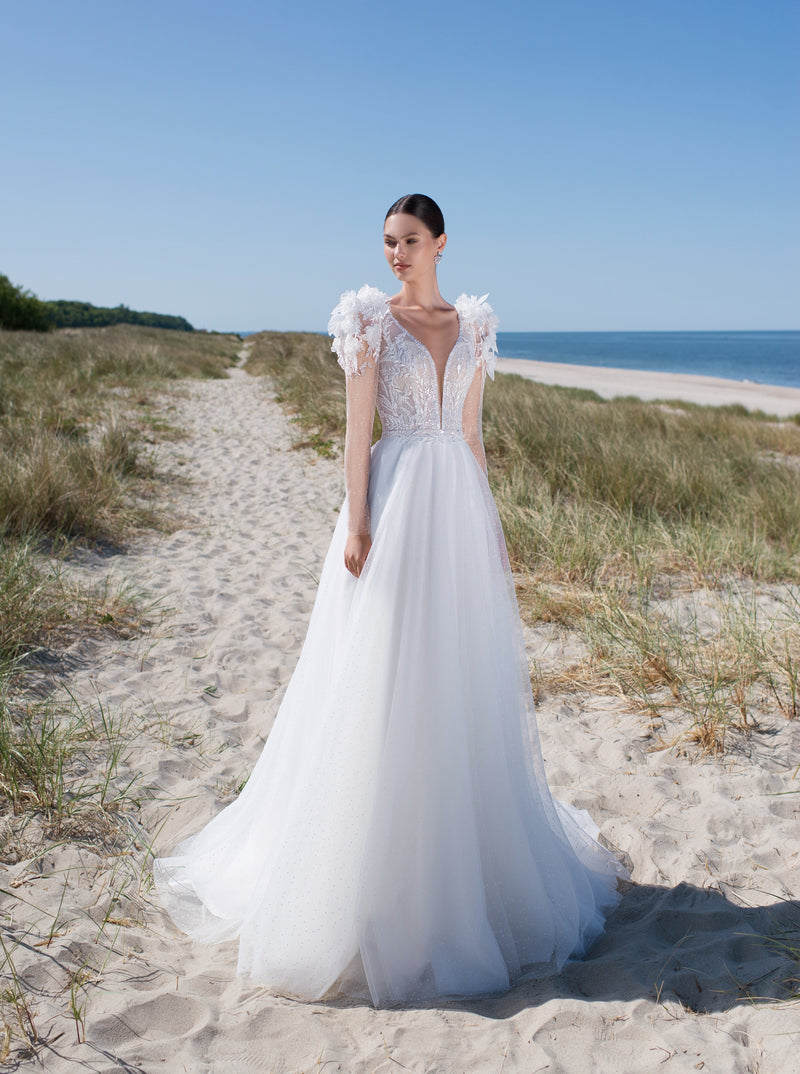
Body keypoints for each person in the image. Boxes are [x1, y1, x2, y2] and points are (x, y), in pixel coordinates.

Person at [153, 193, 627, 1007]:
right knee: (380, 672)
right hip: (396, 502)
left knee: (456, 677)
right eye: (386, 242)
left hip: (457, 510)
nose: (395, 254)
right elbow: (357, 430)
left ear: (440, 242)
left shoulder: (474, 325)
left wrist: (493, 526)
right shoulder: (368, 323)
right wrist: (359, 524)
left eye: (408, 241)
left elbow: (472, 434)